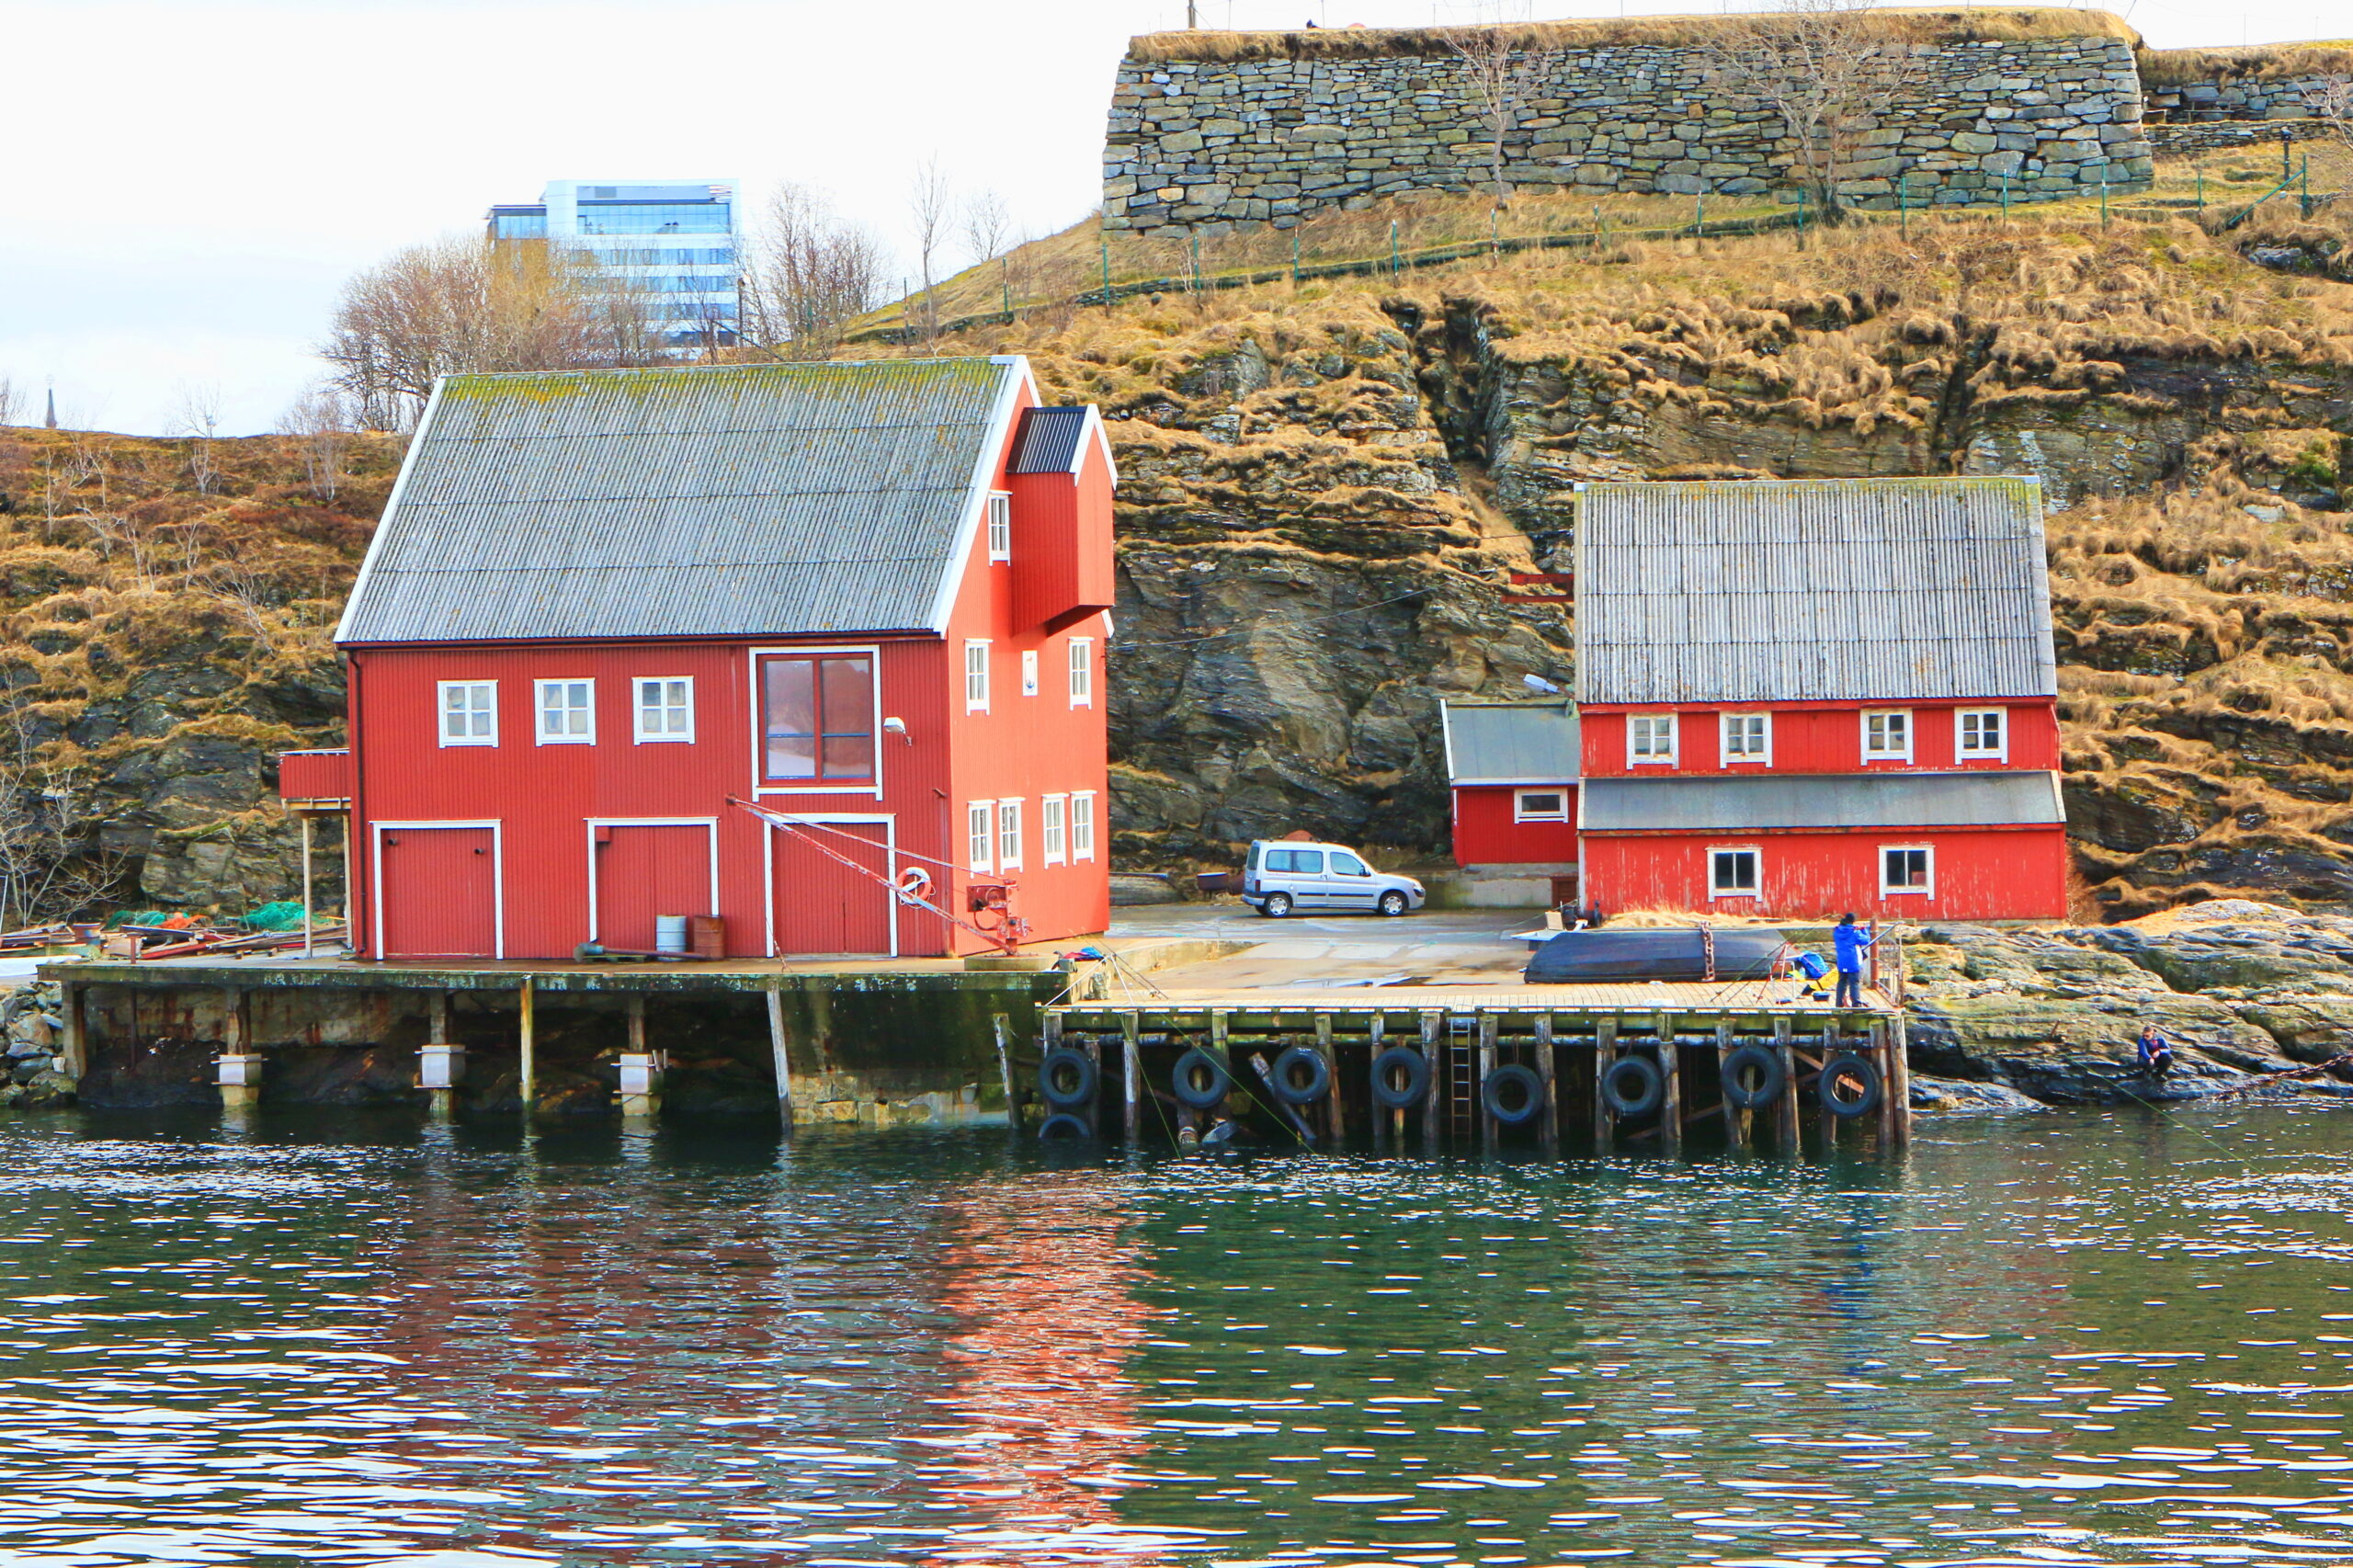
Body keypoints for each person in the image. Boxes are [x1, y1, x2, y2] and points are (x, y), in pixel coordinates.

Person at [1832, 913, 1876, 1009]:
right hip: (1853, 962)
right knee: (1854, 983)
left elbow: (1843, 929)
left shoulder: (1836, 931)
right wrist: (1864, 930)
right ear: (1853, 921)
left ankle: (1839, 1004)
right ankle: (1856, 1004)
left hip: (1841, 961)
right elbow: (1866, 940)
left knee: (1841, 983)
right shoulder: (1855, 932)